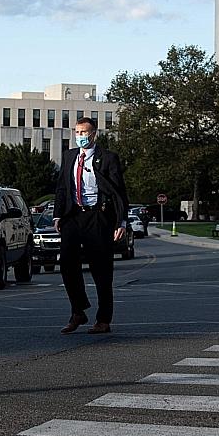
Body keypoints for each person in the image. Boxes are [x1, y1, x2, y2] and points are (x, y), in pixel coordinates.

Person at [54, 115, 129, 334]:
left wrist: (120, 222)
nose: (80, 137)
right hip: (73, 216)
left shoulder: (108, 158)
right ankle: (78, 310)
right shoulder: (69, 157)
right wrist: (58, 215)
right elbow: (61, 188)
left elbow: (118, 192)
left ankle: (103, 319)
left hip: (98, 217)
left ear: (94, 134)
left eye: (84, 133)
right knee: (67, 264)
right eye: (77, 132)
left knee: (101, 269)